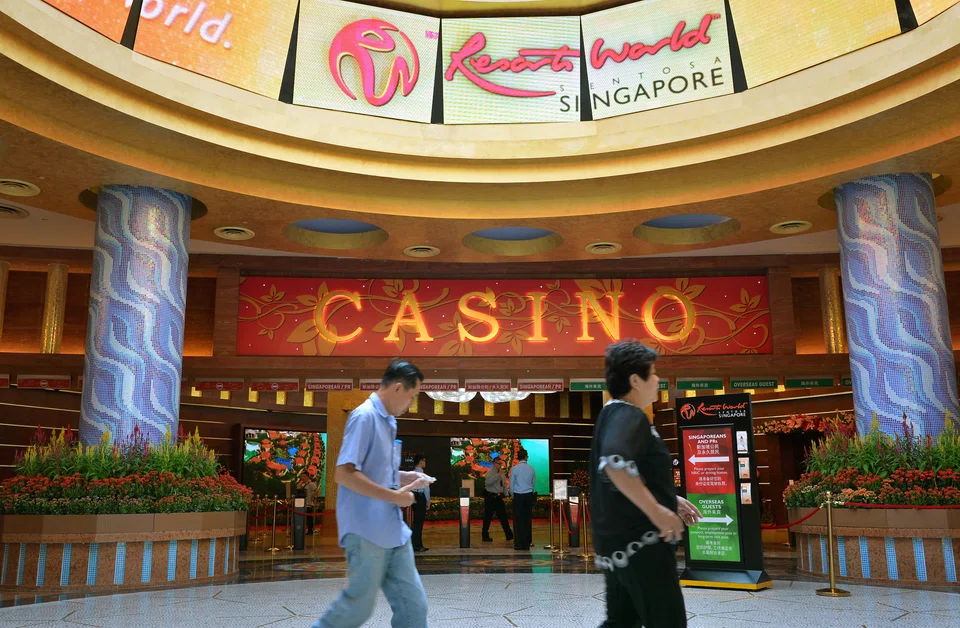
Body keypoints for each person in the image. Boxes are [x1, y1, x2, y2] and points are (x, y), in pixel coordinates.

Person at [590, 340, 703, 628]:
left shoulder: (610, 413)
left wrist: (669, 500)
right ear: (635, 381)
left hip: (618, 544)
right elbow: (615, 462)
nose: (657, 380)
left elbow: (627, 471)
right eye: (652, 374)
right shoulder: (629, 414)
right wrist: (656, 510)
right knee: (667, 622)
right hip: (642, 544)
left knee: (622, 622)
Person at [314, 360, 433, 628]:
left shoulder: (388, 421)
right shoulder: (364, 417)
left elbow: (376, 472)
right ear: (398, 388)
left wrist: (405, 477)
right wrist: (395, 497)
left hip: (393, 530)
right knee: (357, 608)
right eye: (413, 396)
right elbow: (344, 474)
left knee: (414, 607)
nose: (412, 403)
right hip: (365, 530)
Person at [481, 457, 514, 543]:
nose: (500, 465)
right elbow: (488, 482)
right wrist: (498, 475)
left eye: (501, 463)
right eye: (498, 463)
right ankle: (485, 535)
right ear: (494, 463)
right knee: (488, 517)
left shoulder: (502, 473)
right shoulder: (489, 473)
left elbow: (504, 485)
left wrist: (507, 495)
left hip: (499, 497)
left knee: (503, 516)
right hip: (490, 497)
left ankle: (509, 535)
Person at [509, 448, 536, 550]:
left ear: (518, 457)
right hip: (528, 495)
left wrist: (513, 495)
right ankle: (527, 543)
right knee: (527, 519)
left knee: (518, 520)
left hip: (518, 496)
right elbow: (533, 483)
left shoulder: (514, 469)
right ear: (526, 457)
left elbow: (511, 484)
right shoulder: (531, 468)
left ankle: (518, 543)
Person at [411, 454, 430, 552]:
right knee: (419, 523)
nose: (425, 463)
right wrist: (428, 500)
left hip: (414, 498)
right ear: (421, 461)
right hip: (420, 498)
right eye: (424, 461)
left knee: (415, 522)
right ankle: (417, 545)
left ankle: (415, 544)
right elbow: (426, 489)